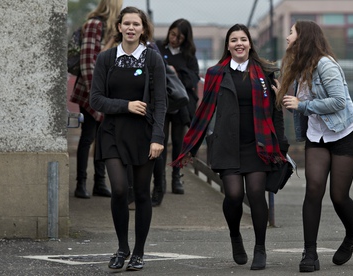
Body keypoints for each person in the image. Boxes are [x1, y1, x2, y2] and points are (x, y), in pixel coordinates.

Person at [172, 24, 289, 270]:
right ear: (228, 45)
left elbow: (276, 110)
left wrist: (281, 142)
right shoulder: (216, 73)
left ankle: (260, 249)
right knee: (234, 195)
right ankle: (235, 236)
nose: (239, 43)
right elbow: (204, 111)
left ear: (250, 43)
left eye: (243, 39)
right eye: (234, 39)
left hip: (259, 144)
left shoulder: (265, 72)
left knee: (256, 193)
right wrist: (190, 147)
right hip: (227, 145)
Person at [278, 20, 353, 272]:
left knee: (338, 196)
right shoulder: (298, 67)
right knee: (313, 189)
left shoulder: (325, 65)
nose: (287, 37)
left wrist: (302, 105)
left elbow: (338, 101)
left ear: (303, 37)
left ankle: (352, 235)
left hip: (345, 134)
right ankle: (310, 254)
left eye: (291, 32)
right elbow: (295, 100)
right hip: (318, 136)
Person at [89, 6, 167, 271]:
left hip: (144, 135)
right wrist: (126, 105)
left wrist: (158, 137)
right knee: (120, 189)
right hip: (112, 132)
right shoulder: (106, 58)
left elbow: (160, 102)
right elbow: (95, 99)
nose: (131, 28)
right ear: (119, 27)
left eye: (136, 24)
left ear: (143, 29)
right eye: (127, 24)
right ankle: (122, 247)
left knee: (142, 193)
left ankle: (138, 252)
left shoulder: (153, 59)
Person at [70, 0, 124, 199]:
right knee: (88, 136)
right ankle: (81, 184)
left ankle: (99, 183)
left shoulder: (112, 28)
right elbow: (87, 62)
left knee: (104, 138)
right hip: (91, 92)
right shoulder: (95, 24)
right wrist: (97, 96)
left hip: (108, 94)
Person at [151, 18, 200, 206]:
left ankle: (176, 176)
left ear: (185, 39)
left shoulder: (189, 55)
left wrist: (174, 72)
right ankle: (159, 180)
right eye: (172, 34)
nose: (174, 39)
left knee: (179, 142)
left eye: (179, 37)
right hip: (163, 103)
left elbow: (193, 80)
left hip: (180, 104)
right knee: (159, 141)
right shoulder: (158, 49)